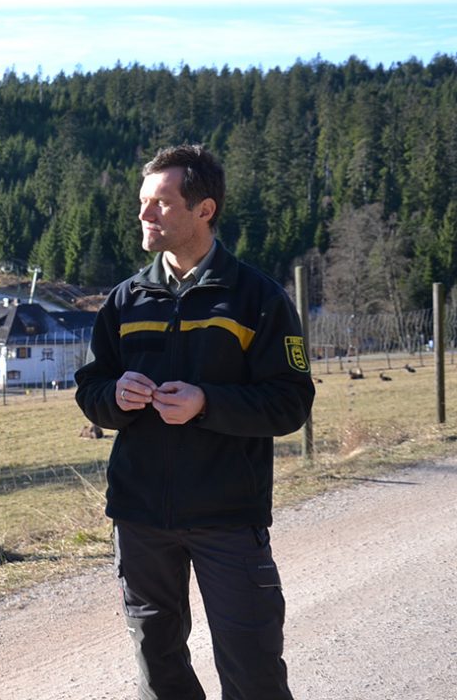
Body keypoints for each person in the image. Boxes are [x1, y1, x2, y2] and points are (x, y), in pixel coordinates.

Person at [74, 144, 315, 700]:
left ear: (204, 210)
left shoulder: (258, 299)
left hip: (228, 516)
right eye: (142, 202)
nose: (144, 215)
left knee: (253, 671)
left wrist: (206, 403)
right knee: (158, 671)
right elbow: (90, 390)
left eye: (159, 203)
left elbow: (291, 402)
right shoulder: (124, 300)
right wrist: (117, 394)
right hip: (139, 518)